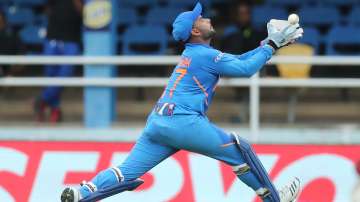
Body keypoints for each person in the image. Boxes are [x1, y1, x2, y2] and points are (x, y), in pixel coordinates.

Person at [61, 3, 303, 202]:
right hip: (183, 122)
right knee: (240, 150)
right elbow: (246, 68)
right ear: (195, 31)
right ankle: (276, 199)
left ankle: (82, 193)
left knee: (126, 171)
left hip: (158, 122)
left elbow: (240, 60)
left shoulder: (198, 54)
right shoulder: (205, 55)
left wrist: (271, 43)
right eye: (200, 18)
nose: (206, 18)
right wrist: (272, 45)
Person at [34, 0, 82, 123]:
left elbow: (84, 12)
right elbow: (46, 9)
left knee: (66, 72)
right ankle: (55, 109)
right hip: (52, 36)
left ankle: (43, 100)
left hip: (71, 38)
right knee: (51, 75)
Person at [0, 11, 24, 77]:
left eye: (1, 20)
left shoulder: (13, 33)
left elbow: (21, 49)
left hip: (11, 61)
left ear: (4, 20)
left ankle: (8, 76)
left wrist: (17, 61)